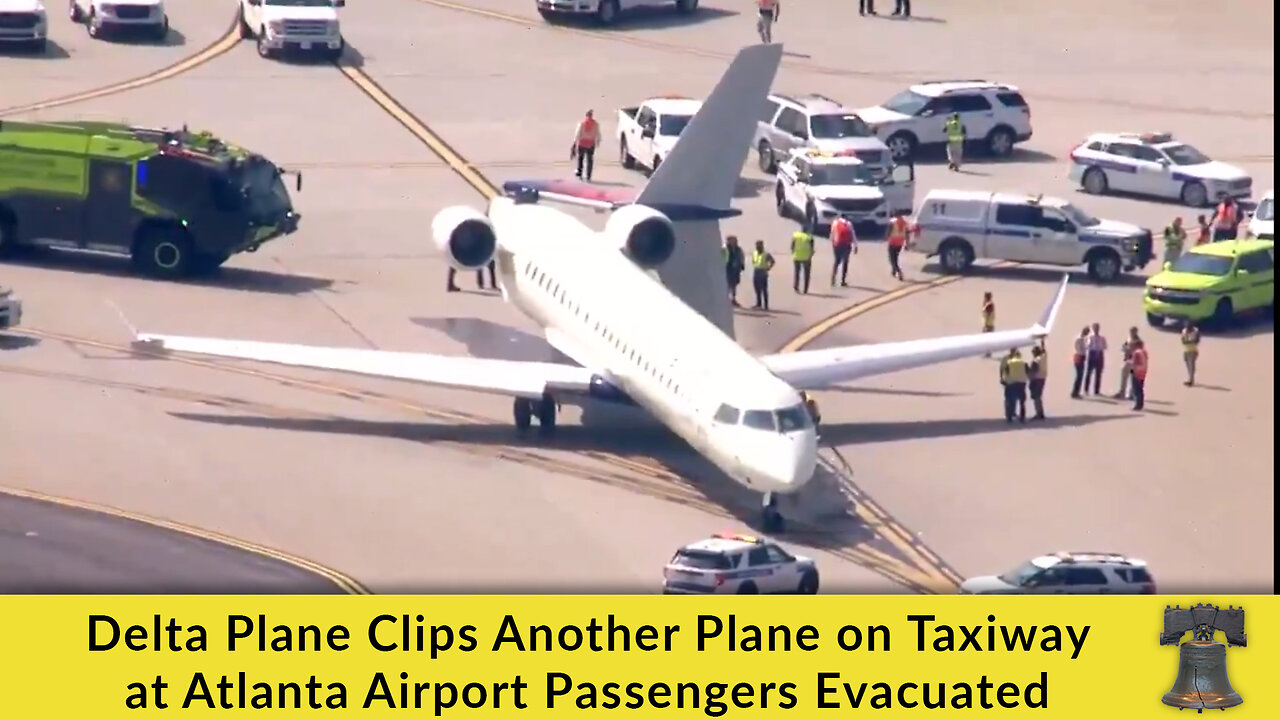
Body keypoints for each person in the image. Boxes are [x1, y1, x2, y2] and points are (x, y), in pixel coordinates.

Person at [999, 347, 1029, 423]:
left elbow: (1005, 370)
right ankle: (1022, 417)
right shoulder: (1023, 362)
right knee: (1022, 401)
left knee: (1009, 399)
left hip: (1011, 382)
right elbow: (1028, 371)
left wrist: (1003, 379)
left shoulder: (1009, 362)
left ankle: (1009, 416)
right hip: (1021, 383)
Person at [570, 110, 601, 181]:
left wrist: (574, 143)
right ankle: (588, 175)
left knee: (580, 159)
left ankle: (579, 173)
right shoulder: (595, 124)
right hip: (591, 144)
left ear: (586, 116)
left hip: (582, 143)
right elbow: (598, 134)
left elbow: (577, 134)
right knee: (589, 160)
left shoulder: (582, 124)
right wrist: (597, 142)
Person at [829, 214, 857, 286]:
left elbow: (832, 233)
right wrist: (855, 246)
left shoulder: (835, 222)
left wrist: (832, 242)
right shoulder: (848, 224)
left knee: (837, 261)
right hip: (846, 245)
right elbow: (853, 235)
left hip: (837, 244)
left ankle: (833, 279)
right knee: (845, 262)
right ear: (846, 217)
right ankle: (843, 280)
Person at [1113, 327, 1140, 400]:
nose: (1131, 333)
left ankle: (1131, 394)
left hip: (1133, 361)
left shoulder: (1137, 340)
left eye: (1133, 332)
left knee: (1132, 378)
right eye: (1130, 331)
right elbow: (1124, 346)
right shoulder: (1129, 338)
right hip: (1127, 360)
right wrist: (1125, 348)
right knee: (1124, 376)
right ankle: (1122, 392)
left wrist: (1129, 350)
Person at [751, 240, 775, 310]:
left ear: (762, 245)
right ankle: (759, 304)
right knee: (757, 288)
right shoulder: (754, 253)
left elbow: (772, 261)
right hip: (756, 271)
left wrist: (768, 268)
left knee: (764, 289)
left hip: (763, 272)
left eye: (759, 245)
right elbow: (753, 261)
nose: (758, 246)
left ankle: (766, 305)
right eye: (757, 245)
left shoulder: (766, 254)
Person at [1084, 322, 1107, 396]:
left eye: (1097, 328)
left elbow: (1105, 346)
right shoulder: (1090, 337)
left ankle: (1096, 390)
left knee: (1098, 373)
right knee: (1089, 373)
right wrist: (1090, 345)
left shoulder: (1102, 338)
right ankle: (1086, 389)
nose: (1096, 329)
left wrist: (1100, 349)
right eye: (1095, 328)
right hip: (1092, 353)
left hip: (1099, 354)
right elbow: (1087, 346)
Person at [1028, 340, 1048, 420]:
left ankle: (1038, 413)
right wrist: (1042, 342)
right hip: (1043, 378)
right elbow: (1044, 351)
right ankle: (1041, 412)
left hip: (1036, 379)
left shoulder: (1036, 360)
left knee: (1036, 397)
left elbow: (1033, 371)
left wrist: (1029, 376)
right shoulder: (1043, 357)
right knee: (1039, 396)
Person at [723, 235, 745, 307]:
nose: (733, 241)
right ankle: (726, 300)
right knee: (727, 285)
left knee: (734, 285)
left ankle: (733, 299)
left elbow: (742, 257)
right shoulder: (725, 248)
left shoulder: (738, 249)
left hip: (736, 270)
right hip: (727, 269)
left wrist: (741, 264)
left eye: (734, 240)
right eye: (731, 240)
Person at [886, 215, 910, 281]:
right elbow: (907, 235)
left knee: (892, 259)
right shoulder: (905, 223)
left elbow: (888, 232)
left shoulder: (892, 222)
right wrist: (907, 244)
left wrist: (886, 237)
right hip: (900, 242)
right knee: (895, 257)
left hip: (892, 242)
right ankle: (894, 270)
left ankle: (899, 272)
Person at [790, 228, 814, 294]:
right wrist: (811, 255)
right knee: (807, 274)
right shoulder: (809, 237)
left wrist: (793, 252)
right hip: (806, 257)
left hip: (797, 256)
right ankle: (805, 289)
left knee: (797, 272)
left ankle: (796, 286)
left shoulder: (796, 236)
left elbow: (792, 246)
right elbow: (812, 248)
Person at [1070, 326, 1089, 398]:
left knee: (1080, 376)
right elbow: (1079, 349)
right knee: (1079, 375)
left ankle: (1076, 392)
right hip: (1079, 356)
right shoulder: (1079, 339)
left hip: (1081, 357)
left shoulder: (1083, 339)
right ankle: (1074, 392)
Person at [1130, 340, 1149, 411]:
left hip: (1136, 372)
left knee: (1136, 389)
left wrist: (1132, 370)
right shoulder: (1144, 352)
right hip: (1143, 371)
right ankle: (1141, 403)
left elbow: (1134, 363)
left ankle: (1137, 404)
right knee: (1140, 388)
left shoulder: (1136, 353)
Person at [1181, 320, 1201, 387]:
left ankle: (1191, 380)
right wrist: (1188, 340)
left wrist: (1189, 340)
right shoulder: (1184, 331)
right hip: (1186, 350)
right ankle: (1190, 378)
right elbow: (1183, 341)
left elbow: (1197, 340)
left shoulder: (1196, 331)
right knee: (1188, 365)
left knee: (1191, 365)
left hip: (1193, 350)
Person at [981, 291, 995, 357]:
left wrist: (986, 325)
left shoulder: (989, 305)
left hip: (988, 325)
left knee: (987, 340)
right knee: (986, 340)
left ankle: (988, 353)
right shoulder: (987, 304)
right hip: (988, 324)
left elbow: (988, 314)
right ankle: (987, 352)